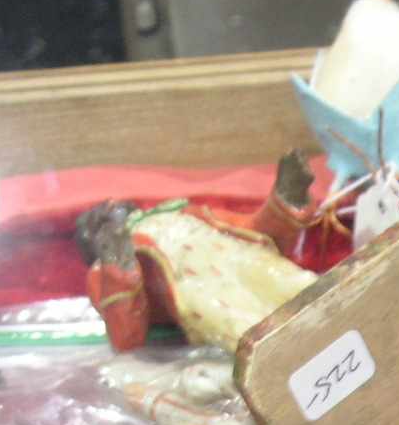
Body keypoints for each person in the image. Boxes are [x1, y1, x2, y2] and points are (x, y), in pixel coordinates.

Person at [76, 150, 317, 352]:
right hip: (193, 285)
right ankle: (281, 355)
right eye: (98, 218)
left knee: (291, 282)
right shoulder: (103, 269)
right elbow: (126, 337)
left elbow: (250, 228)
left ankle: (329, 310)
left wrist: (284, 201)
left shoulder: (181, 211)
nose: (111, 205)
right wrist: (117, 264)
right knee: (236, 320)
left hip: (236, 256)